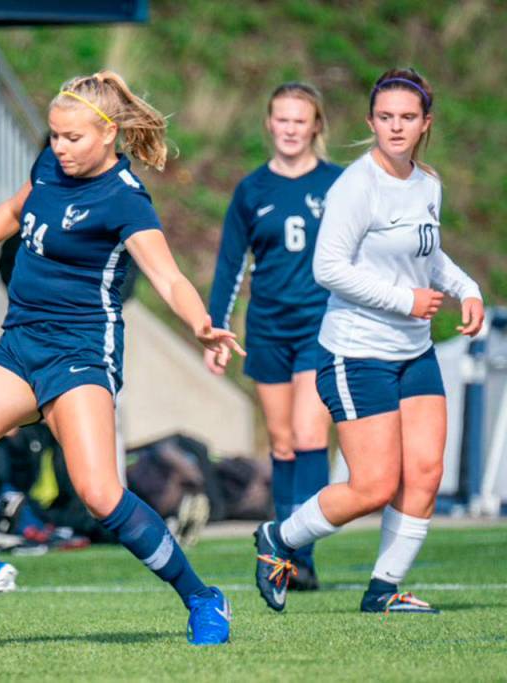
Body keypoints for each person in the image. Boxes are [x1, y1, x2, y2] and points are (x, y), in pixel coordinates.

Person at [0, 71, 243, 646]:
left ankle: (202, 597)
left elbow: (168, 277)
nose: (60, 147)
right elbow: (13, 211)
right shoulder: (50, 164)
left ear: (108, 134)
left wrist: (201, 325)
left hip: (80, 353)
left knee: (99, 494)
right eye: (55, 135)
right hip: (20, 342)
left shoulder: (124, 199)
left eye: (73, 138)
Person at [253, 68, 484, 615]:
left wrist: (467, 289)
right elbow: (328, 268)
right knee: (374, 485)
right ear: (371, 122)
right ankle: (280, 538)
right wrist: (405, 300)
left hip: (414, 352)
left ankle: (383, 589)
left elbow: (427, 253)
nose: (396, 127)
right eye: (385, 117)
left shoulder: (427, 184)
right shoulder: (356, 186)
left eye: (407, 117)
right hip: (357, 354)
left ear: (426, 123)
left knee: (425, 473)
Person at [205, 82, 342, 590]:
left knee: (310, 436)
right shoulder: (251, 190)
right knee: (282, 444)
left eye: (299, 120)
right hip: (267, 327)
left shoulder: (338, 184)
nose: (289, 129)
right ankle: (283, 550)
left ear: (316, 126)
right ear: (269, 123)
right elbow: (229, 265)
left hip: (321, 326)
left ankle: (302, 555)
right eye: (281, 119)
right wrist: (216, 330)